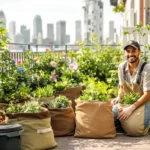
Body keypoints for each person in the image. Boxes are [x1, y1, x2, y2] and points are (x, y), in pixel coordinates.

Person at [112, 40, 150, 133]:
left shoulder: (147, 68)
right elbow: (122, 88)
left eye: (133, 51)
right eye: (128, 51)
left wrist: (131, 108)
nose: (130, 54)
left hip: (145, 103)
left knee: (135, 130)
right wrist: (119, 97)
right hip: (128, 103)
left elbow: (148, 94)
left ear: (139, 52)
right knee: (109, 119)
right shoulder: (121, 67)